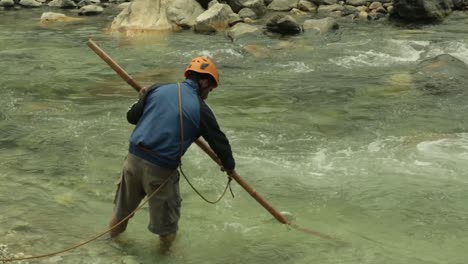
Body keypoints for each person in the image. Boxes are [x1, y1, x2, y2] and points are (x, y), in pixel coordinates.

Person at [108, 57, 236, 252]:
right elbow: (219, 142)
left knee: (121, 214)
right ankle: (163, 257)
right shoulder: (201, 109)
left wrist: (143, 98)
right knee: (167, 231)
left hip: (132, 161)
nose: (208, 94)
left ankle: (110, 249)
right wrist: (229, 166)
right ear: (203, 82)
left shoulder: (156, 89)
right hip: (160, 171)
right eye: (210, 89)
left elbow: (131, 117)